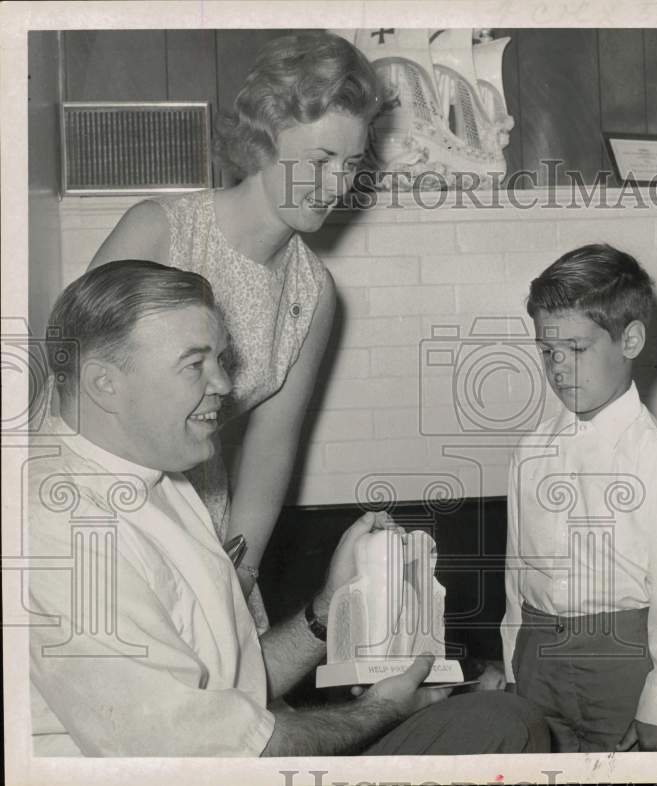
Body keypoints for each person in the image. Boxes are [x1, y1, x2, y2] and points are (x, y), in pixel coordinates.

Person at [29, 260, 550, 757]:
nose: (225, 385)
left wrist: (328, 607)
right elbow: (203, 754)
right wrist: (380, 709)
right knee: (504, 728)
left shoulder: (162, 478)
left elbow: (237, 683)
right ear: (104, 384)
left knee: (501, 719)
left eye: (220, 359)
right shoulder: (61, 530)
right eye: (194, 364)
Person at [88, 32, 380, 629]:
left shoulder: (314, 291)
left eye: (351, 165)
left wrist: (237, 577)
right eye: (321, 160)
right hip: (110, 509)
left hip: (213, 520)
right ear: (264, 139)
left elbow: (271, 448)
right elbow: (76, 390)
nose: (337, 185)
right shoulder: (160, 232)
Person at [498, 244, 657, 752]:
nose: (559, 367)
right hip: (537, 656)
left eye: (578, 349)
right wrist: (510, 668)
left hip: (622, 662)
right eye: (547, 351)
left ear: (630, 339)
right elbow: (516, 575)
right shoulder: (530, 451)